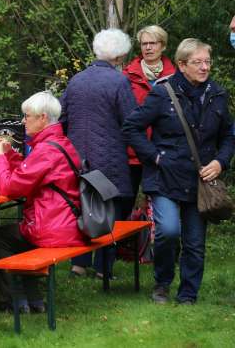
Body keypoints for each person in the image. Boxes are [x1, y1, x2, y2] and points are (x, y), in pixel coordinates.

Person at [123, 38, 234, 305]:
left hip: (200, 180)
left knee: (195, 243)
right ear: (182, 65)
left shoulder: (217, 95)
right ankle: (162, 283)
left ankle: (188, 294)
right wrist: (155, 157)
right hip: (165, 177)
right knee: (169, 231)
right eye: (198, 62)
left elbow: (230, 135)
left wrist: (220, 162)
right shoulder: (163, 93)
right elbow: (132, 127)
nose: (205, 67)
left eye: (207, 61)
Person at [0, 91, 85, 313]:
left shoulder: (46, 150)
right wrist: (10, 154)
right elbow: (30, 172)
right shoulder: (60, 142)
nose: (23, 121)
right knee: (17, 237)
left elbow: (11, 188)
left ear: (43, 118)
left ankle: (13, 300)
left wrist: (0, 158)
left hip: (51, 228)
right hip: (68, 222)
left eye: (27, 116)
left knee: (2, 237)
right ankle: (33, 299)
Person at [60, 28, 137, 279]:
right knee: (110, 210)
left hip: (77, 157)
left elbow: (62, 118)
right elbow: (131, 120)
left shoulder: (76, 80)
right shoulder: (119, 81)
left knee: (81, 206)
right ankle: (104, 268)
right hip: (110, 157)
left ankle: (78, 263)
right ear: (119, 57)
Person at [123, 25, 176, 199]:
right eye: (144, 43)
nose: (148, 48)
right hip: (132, 153)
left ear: (163, 46)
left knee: (162, 210)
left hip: (163, 154)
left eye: (153, 43)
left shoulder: (176, 77)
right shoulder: (126, 76)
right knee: (124, 207)